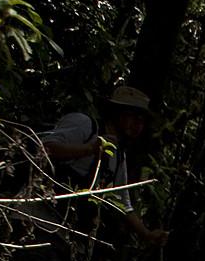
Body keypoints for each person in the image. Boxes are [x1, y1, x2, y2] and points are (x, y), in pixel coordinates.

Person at [39, 84, 168, 250]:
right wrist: (89, 149)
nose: (138, 125)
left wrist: (146, 234)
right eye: (133, 117)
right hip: (37, 218)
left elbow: (123, 202)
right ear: (117, 113)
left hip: (64, 236)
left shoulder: (118, 156)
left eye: (142, 121)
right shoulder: (85, 125)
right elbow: (45, 148)